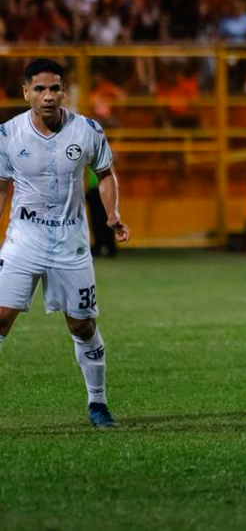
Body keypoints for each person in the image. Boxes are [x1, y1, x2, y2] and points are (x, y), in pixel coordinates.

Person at [0, 58, 131, 428]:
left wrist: (111, 215)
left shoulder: (87, 130)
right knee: (1, 317)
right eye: (39, 89)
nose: (47, 96)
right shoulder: (7, 135)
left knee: (82, 325)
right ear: (25, 92)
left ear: (64, 91)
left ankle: (98, 402)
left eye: (54, 88)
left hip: (70, 242)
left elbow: (105, 174)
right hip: (23, 239)